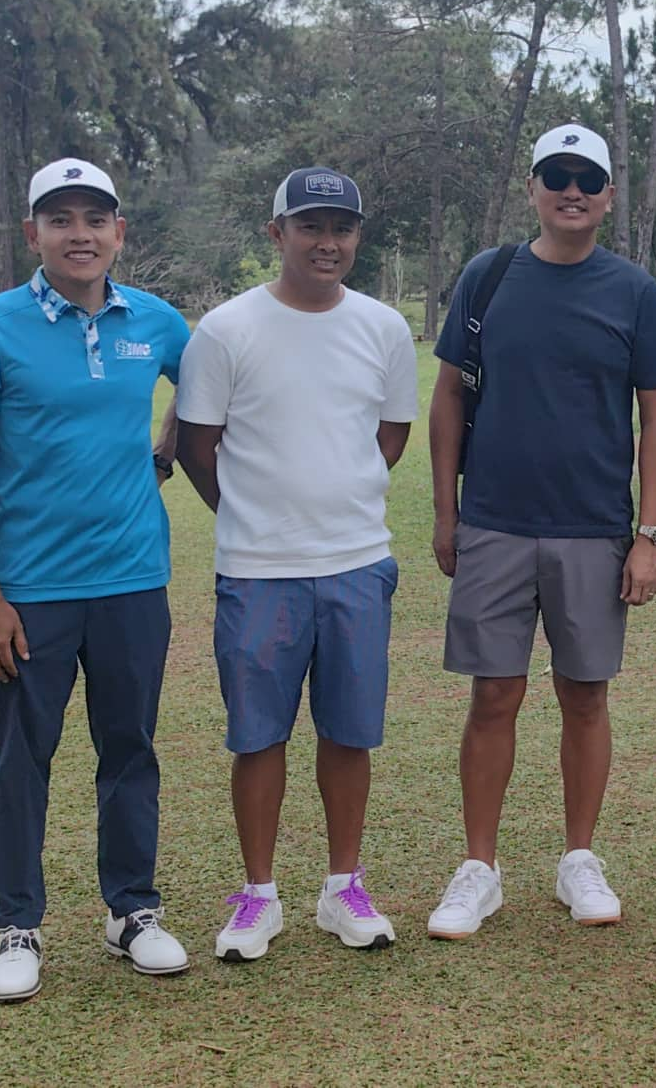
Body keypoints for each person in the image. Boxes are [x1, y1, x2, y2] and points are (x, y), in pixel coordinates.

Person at [0, 158, 192, 1002]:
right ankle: (17, 926)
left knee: (130, 749)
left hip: (131, 581)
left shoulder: (155, 321)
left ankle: (132, 914)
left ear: (120, 231)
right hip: (32, 591)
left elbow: (208, 397)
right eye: (61, 219)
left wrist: (162, 451)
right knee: (24, 760)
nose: (79, 233)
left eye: (95, 218)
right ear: (33, 235)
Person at [423, 124, 656, 937]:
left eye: (588, 179)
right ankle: (479, 868)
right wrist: (444, 510)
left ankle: (579, 859)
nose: (572, 191)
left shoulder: (634, 291)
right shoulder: (488, 276)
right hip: (495, 522)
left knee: (584, 695)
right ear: (533, 187)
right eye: (556, 176)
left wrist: (647, 531)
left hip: (593, 528)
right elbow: (449, 400)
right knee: (493, 692)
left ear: (608, 195)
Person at [176, 167, 418, 959]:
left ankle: (342, 888)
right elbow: (196, 449)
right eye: (309, 226)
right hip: (257, 568)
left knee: (349, 735)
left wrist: (335, 504)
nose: (328, 242)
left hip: (356, 563)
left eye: (341, 228)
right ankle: (258, 896)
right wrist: (256, 517)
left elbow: (390, 436)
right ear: (275, 233)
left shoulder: (382, 328)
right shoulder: (224, 330)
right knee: (258, 737)